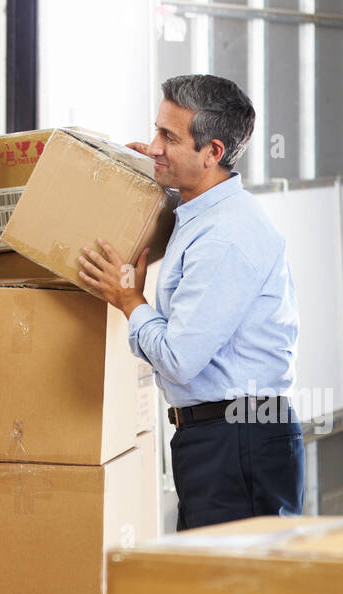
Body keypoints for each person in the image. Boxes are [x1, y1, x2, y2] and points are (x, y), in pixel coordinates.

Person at [79, 74, 304, 530]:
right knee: (209, 590)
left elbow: (180, 359)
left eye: (169, 137)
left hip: (238, 441)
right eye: (156, 130)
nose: (154, 145)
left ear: (213, 152)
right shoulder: (200, 210)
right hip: (221, 437)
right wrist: (138, 169)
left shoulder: (225, 236)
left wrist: (128, 300)